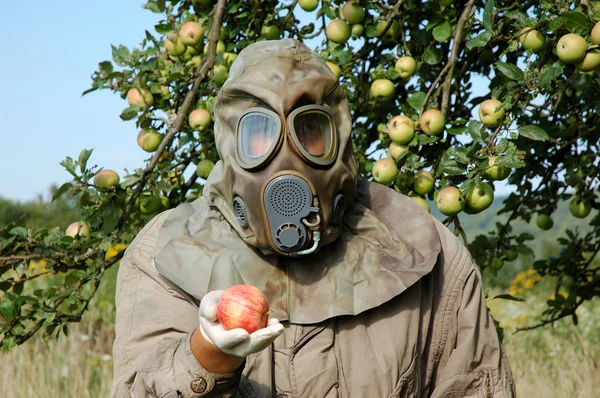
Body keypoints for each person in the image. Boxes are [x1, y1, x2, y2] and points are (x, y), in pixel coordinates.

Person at [111, 39, 516, 398]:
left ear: (339, 141)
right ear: (230, 145)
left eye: (309, 132)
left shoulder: (421, 250)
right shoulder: (166, 253)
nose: (287, 158)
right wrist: (208, 359)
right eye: (260, 135)